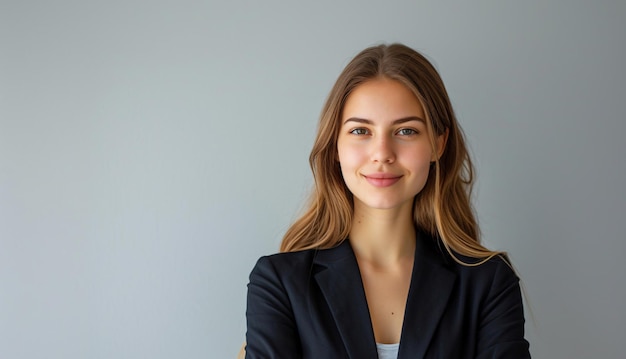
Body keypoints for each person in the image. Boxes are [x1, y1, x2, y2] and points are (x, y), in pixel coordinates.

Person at [243, 43, 531, 358]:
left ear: (439, 143)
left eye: (406, 131)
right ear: (335, 145)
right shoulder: (279, 284)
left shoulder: (487, 282)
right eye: (360, 131)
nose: (382, 153)